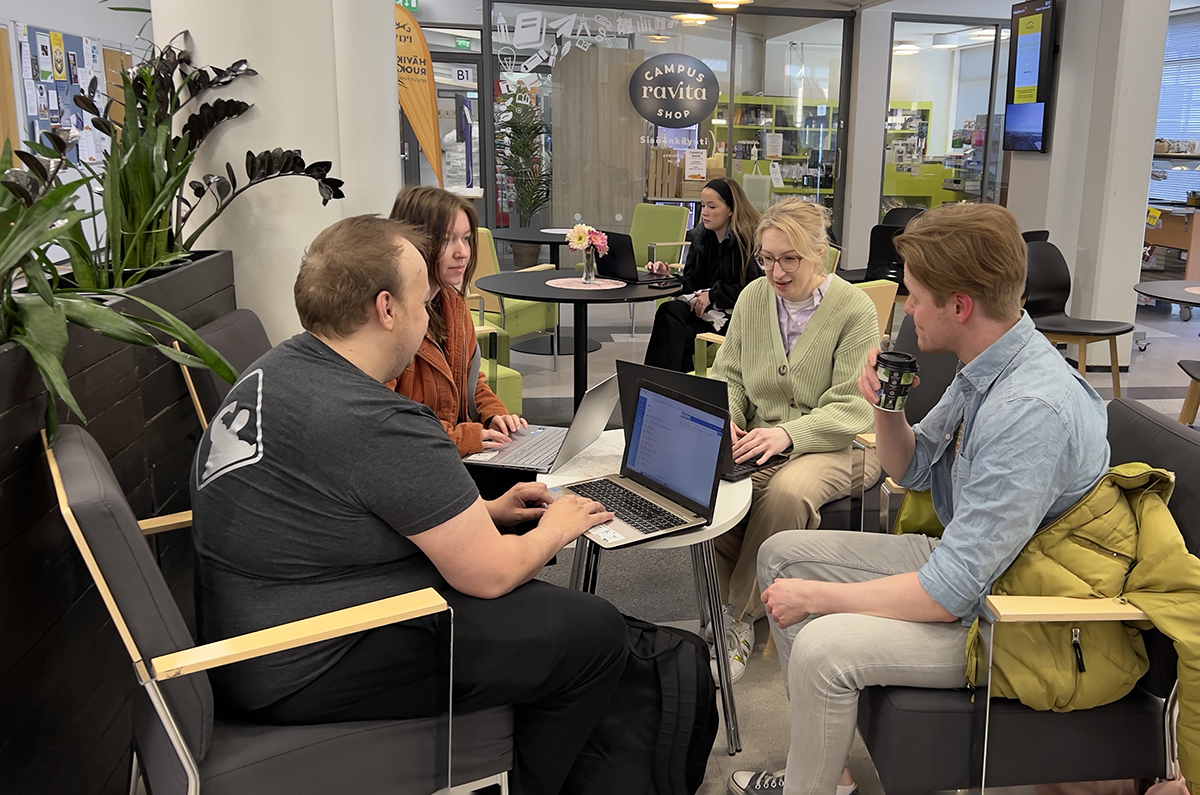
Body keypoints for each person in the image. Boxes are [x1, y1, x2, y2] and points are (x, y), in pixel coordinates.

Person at [190, 215, 628, 795]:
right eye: (425, 302)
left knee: (537, 605)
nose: (431, 316)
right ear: (386, 309)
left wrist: (488, 514)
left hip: (257, 629)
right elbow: (490, 574)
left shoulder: (275, 369)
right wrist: (561, 525)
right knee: (594, 632)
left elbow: (339, 507)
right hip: (308, 658)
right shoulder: (376, 420)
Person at [729, 203, 1110, 795]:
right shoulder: (986, 362)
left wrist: (823, 597)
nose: (905, 308)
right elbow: (911, 470)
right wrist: (887, 408)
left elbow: (954, 592)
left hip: (1016, 612)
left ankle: (810, 786)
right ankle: (827, 772)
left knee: (821, 644)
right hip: (977, 567)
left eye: (913, 295)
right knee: (779, 555)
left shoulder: (1029, 411)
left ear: (959, 306)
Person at [707, 198, 880, 684]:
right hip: (761, 439)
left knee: (784, 491)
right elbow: (729, 376)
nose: (775, 271)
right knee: (709, 482)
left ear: (819, 254)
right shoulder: (752, 299)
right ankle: (734, 602)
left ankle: (737, 618)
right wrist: (731, 420)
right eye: (766, 258)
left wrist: (786, 433)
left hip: (843, 448)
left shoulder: (853, 308)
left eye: (789, 259)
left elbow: (854, 406)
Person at [389, 185, 525, 457]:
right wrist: (464, 438)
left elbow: (470, 381)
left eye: (465, 239)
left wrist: (494, 414)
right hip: (420, 461)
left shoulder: (454, 304)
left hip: (455, 455)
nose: (462, 252)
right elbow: (387, 420)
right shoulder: (390, 319)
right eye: (447, 240)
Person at [643, 177, 762, 372]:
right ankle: (664, 383)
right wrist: (668, 277)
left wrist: (713, 295)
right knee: (668, 311)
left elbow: (752, 289)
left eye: (712, 207)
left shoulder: (744, 242)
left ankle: (661, 385)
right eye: (703, 205)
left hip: (730, 315)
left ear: (731, 209)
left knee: (677, 337)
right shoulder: (702, 238)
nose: (704, 212)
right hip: (703, 309)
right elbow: (692, 281)